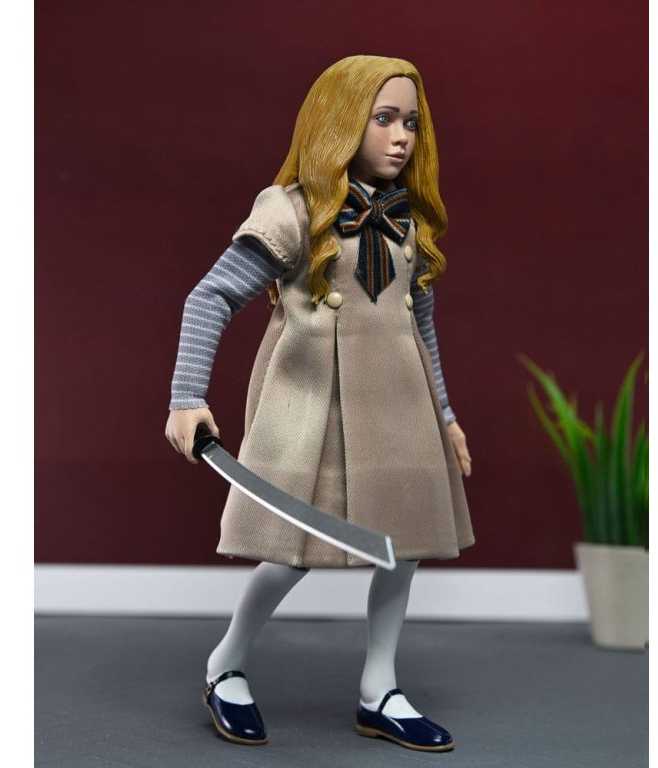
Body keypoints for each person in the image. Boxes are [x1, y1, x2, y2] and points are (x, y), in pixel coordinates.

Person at [165, 55, 474, 752]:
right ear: (341, 121)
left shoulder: (406, 219)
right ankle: (226, 663)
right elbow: (210, 297)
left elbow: (421, 325)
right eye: (383, 118)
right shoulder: (294, 210)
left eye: (411, 122)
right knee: (292, 549)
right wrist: (187, 395)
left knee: (405, 548)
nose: (401, 136)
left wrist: (447, 415)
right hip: (315, 407)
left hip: (401, 408)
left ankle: (379, 688)